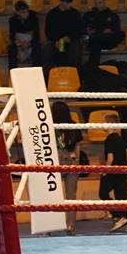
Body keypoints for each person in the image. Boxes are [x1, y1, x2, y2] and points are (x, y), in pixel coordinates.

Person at [51, 101, 81, 235]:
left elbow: (77, 145)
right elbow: (78, 146)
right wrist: (76, 161)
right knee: (70, 195)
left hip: (57, 161)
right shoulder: (70, 125)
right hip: (68, 160)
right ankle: (69, 225)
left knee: (55, 194)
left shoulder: (50, 125)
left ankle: (56, 225)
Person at [100, 121, 127, 233]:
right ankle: (126, 223)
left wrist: (105, 171)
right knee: (121, 197)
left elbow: (110, 158)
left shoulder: (109, 139)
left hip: (113, 171)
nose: (101, 125)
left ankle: (118, 215)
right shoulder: (120, 137)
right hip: (122, 170)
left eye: (103, 122)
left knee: (103, 193)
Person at [81, 0, 124, 67]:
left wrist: (110, 31)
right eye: (96, 3)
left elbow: (117, 31)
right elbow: (82, 30)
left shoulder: (113, 16)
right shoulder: (88, 15)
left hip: (106, 41)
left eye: (100, 3)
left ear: (105, 0)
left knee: (121, 34)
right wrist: (87, 31)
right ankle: (93, 66)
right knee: (95, 43)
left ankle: (90, 66)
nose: (98, 6)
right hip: (93, 41)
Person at [44, 0, 83, 70]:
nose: (70, 5)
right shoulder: (52, 14)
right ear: (61, 2)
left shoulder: (75, 13)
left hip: (70, 41)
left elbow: (79, 30)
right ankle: (47, 75)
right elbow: (48, 31)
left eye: (70, 2)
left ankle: (76, 73)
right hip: (56, 41)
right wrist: (55, 41)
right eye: (67, 3)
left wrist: (69, 38)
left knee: (75, 50)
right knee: (47, 49)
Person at [8, 0, 40, 71]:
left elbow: (37, 36)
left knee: (37, 48)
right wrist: (19, 43)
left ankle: (36, 71)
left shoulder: (34, 19)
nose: (26, 14)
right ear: (17, 13)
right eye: (23, 12)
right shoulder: (12, 20)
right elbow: (12, 36)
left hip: (30, 42)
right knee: (11, 49)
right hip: (19, 42)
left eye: (27, 11)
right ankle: (12, 72)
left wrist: (29, 44)